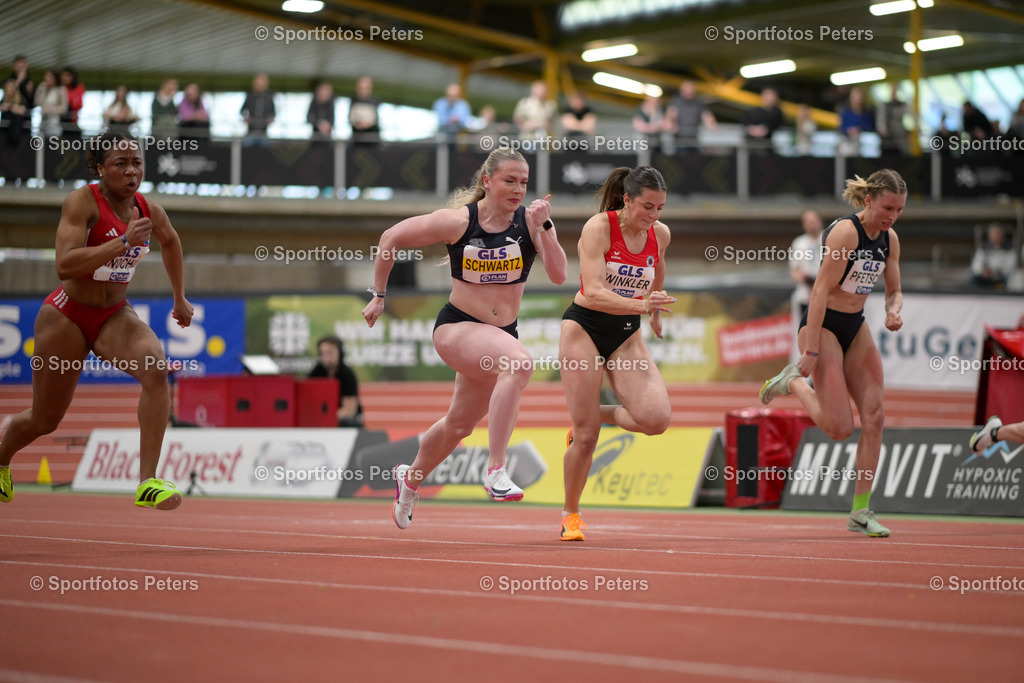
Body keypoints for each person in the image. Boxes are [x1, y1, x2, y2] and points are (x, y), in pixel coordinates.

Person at [362, 147, 567, 529]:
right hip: (456, 329)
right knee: (519, 364)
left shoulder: (530, 223)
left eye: (523, 182)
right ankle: (495, 469)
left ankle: (410, 478)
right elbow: (391, 237)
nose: (518, 190)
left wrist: (545, 227)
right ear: (486, 181)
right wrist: (379, 295)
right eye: (509, 180)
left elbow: (558, 275)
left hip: (498, 336)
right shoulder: (458, 222)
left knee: (458, 425)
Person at [0, 131, 193, 509]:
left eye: (136, 162)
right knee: (44, 420)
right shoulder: (81, 203)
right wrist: (122, 241)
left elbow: (170, 242)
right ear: (100, 168)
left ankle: (148, 482)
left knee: (155, 369)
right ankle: (1, 458)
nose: (131, 171)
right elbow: (64, 265)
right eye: (120, 164)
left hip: (113, 315)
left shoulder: (149, 210)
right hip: (66, 316)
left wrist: (179, 297)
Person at [760, 169, 908, 538]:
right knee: (840, 428)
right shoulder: (846, 232)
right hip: (822, 325)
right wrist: (809, 349)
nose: (892, 216)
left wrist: (893, 309)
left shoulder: (890, 239)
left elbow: (894, 289)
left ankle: (860, 512)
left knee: (874, 417)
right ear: (869, 199)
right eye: (887, 207)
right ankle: (793, 382)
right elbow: (820, 292)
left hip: (854, 326)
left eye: (899, 210)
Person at [558, 166, 674, 541]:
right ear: (626, 200)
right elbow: (593, 291)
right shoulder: (599, 228)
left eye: (659, 208)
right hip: (585, 329)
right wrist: (642, 306)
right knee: (586, 437)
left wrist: (653, 310)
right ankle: (571, 514)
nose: (653, 217)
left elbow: (657, 272)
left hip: (626, 335)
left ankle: (597, 415)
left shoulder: (660, 234)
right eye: (646, 207)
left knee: (656, 420)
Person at [308, 335, 363, 427]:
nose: (326, 357)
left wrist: (328, 417)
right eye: (323, 353)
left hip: (342, 423)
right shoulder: (316, 371)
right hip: (320, 420)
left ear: (340, 353)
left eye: (330, 353)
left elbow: (349, 410)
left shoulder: (346, 374)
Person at [789, 208, 824, 320]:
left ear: (820, 221)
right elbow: (794, 270)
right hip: (805, 295)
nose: (811, 225)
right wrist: (804, 279)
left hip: (826, 295)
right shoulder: (799, 243)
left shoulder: (829, 239)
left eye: (813, 221)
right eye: (808, 222)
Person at [665, 79, 717, 152]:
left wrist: (713, 126)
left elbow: (706, 115)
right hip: (679, 137)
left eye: (691, 92)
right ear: (682, 91)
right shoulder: (676, 101)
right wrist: (670, 122)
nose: (689, 94)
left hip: (694, 137)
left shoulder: (699, 102)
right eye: (687, 92)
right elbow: (671, 114)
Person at [970, 222, 1016, 288]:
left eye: (997, 234)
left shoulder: (1009, 249)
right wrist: (982, 271)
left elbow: (1011, 266)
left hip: (1001, 277)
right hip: (985, 277)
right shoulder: (983, 248)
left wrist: (995, 271)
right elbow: (976, 264)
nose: (995, 237)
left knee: (1012, 278)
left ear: (1002, 235)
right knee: (971, 277)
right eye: (993, 235)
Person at [838, 87, 875, 156]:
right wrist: (849, 130)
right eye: (855, 97)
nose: (857, 99)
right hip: (848, 142)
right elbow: (842, 127)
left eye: (859, 97)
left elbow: (869, 126)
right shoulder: (845, 112)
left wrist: (859, 129)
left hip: (863, 143)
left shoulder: (866, 112)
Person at [744, 87, 783, 152]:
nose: (769, 98)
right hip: (753, 145)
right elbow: (746, 123)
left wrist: (766, 129)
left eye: (771, 95)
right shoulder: (755, 111)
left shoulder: (777, 112)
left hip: (769, 146)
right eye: (767, 95)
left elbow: (777, 125)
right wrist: (752, 129)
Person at [241, 73, 275, 145]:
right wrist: (246, 117)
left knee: (263, 153)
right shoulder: (250, 96)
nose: (260, 86)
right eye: (258, 84)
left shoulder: (269, 98)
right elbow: (243, 110)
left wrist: (270, 119)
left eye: (262, 84)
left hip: (263, 132)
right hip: (251, 132)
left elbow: (273, 113)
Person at [34, 70, 67, 140]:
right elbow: (37, 103)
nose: (46, 78)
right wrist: (39, 89)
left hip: (54, 123)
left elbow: (64, 108)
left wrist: (49, 109)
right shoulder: (43, 89)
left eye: (49, 76)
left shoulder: (61, 89)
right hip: (42, 122)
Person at [348, 76, 380, 145]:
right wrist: (358, 123)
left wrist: (367, 124)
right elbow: (350, 118)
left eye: (365, 88)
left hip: (371, 137)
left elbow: (376, 119)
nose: (363, 90)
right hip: (357, 137)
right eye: (361, 88)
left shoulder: (374, 100)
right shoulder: (353, 100)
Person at [59, 67, 85, 139]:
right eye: (62, 75)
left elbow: (78, 104)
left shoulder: (78, 88)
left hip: (71, 121)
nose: (63, 78)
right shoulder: (59, 88)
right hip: (59, 122)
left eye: (67, 75)